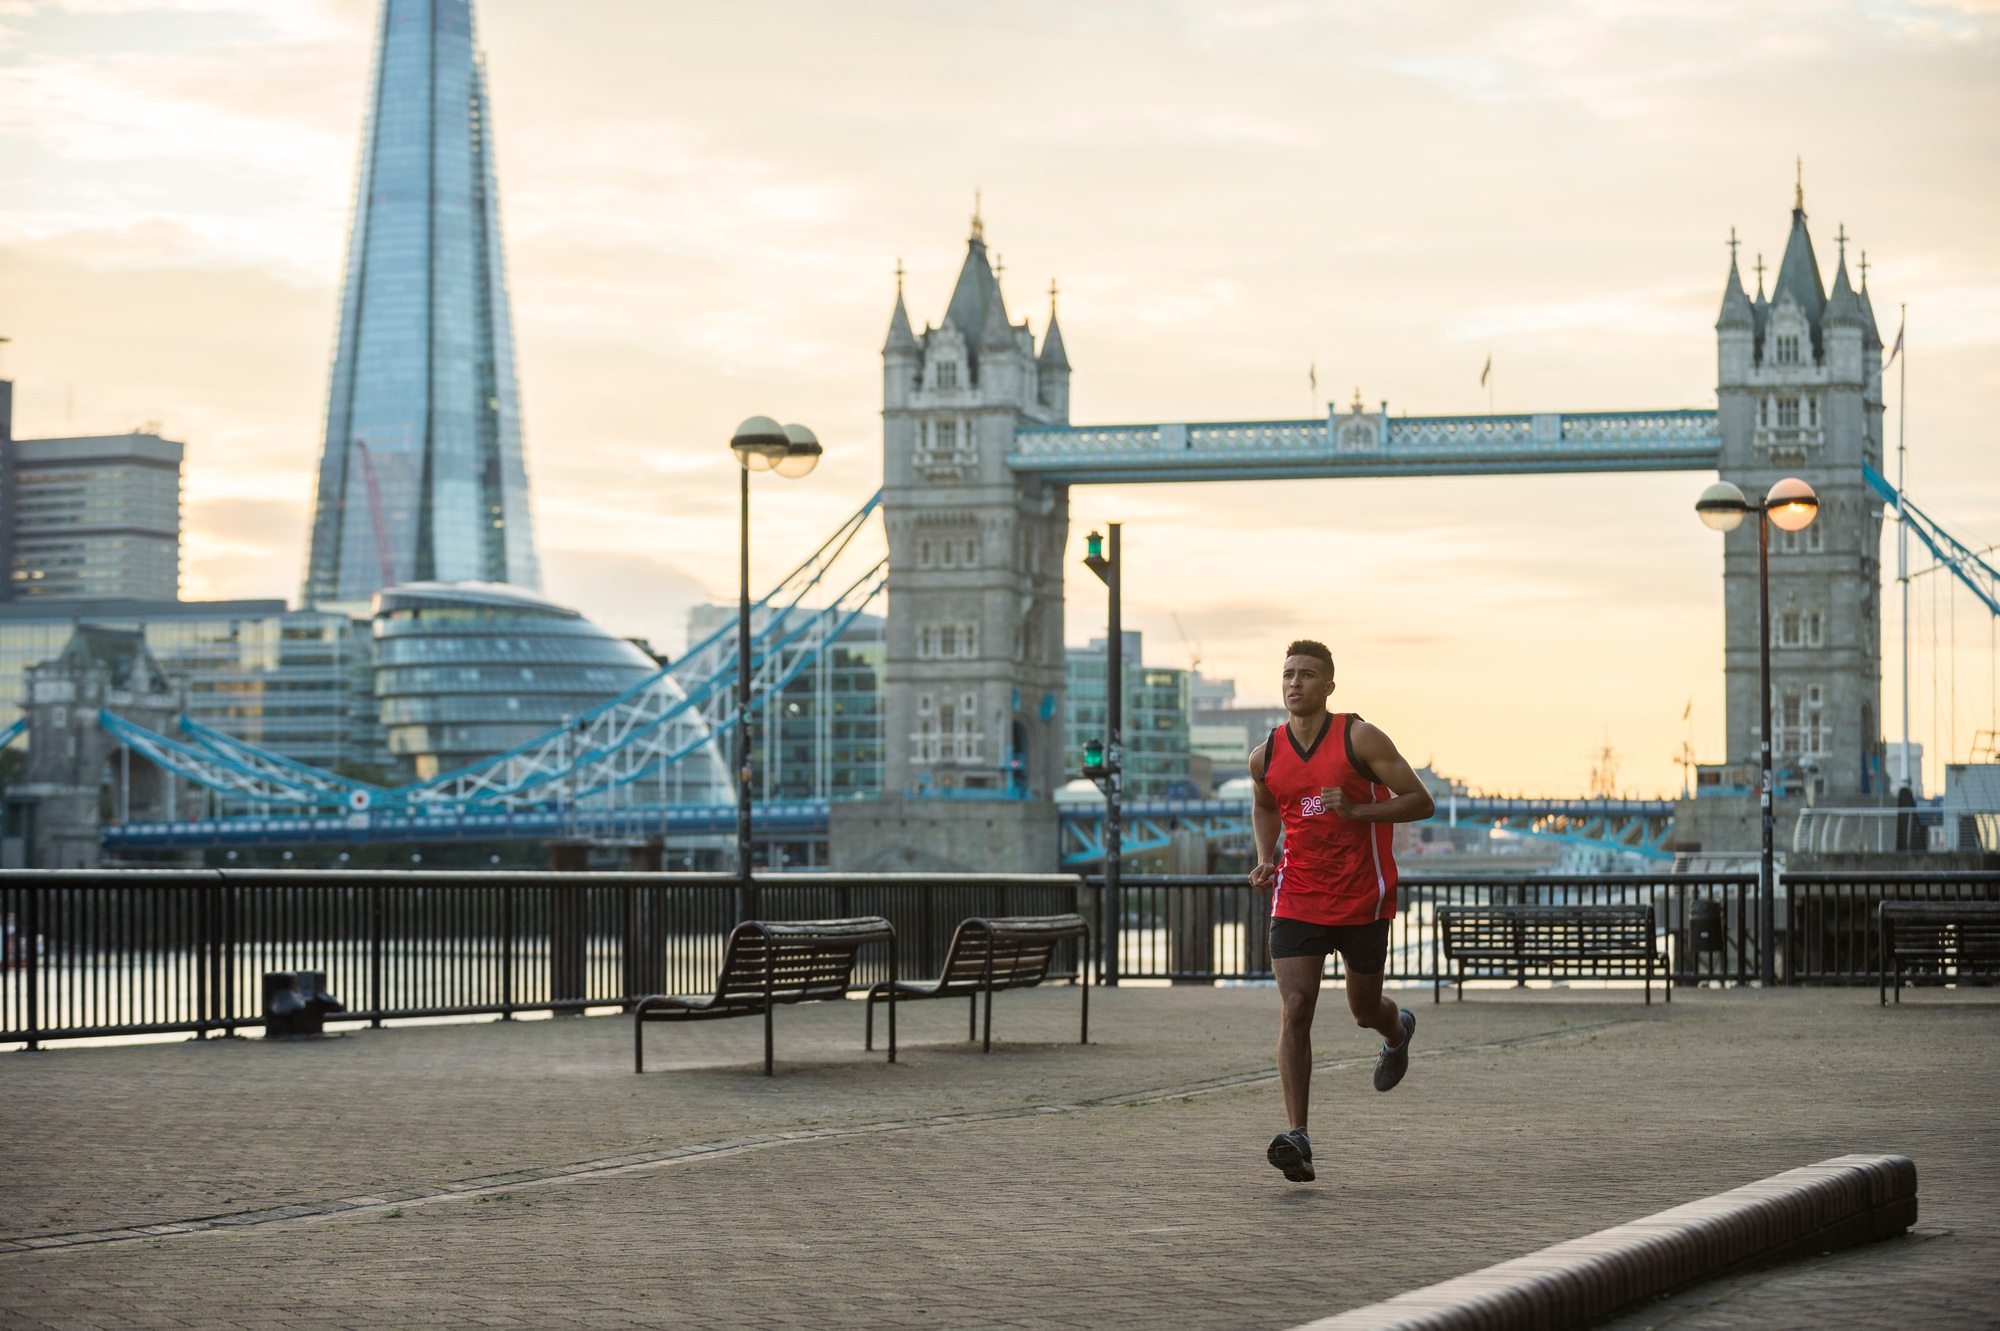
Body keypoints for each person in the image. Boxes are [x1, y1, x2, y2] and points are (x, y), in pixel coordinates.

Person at [1249, 639, 1435, 1183]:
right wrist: (1266, 857)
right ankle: (1298, 1136)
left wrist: (1358, 810)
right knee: (1297, 1006)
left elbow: (1421, 801)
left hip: (1362, 897)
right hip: (1299, 894)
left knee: (1362, 1009)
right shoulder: (1267, 754)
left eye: (1307, 675)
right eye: (1288, 674)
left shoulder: (1359, 737)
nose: (1295, 683)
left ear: (1329, 685)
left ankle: (1396, 1030)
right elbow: (1265, 804)